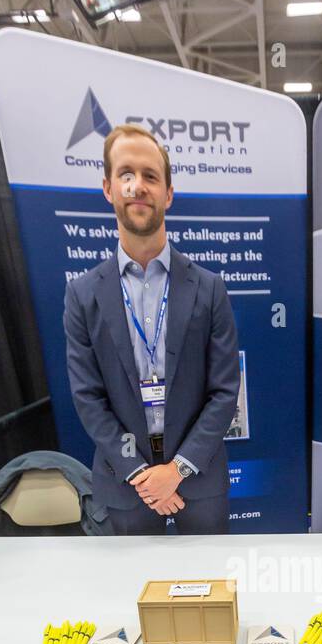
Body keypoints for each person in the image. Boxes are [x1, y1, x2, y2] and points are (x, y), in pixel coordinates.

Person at [64, 123, 240, 534]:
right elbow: (88, 398)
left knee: (208, 590)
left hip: (199, 480)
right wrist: (143, 475)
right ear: (108, 188)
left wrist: (175, 471)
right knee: (134, 593)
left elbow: (225, 391)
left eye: (150, 176)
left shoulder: (209, 288)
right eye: (126, 174)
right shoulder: (82, 294)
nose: (138, 186)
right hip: (126, 486)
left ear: (168, 193)